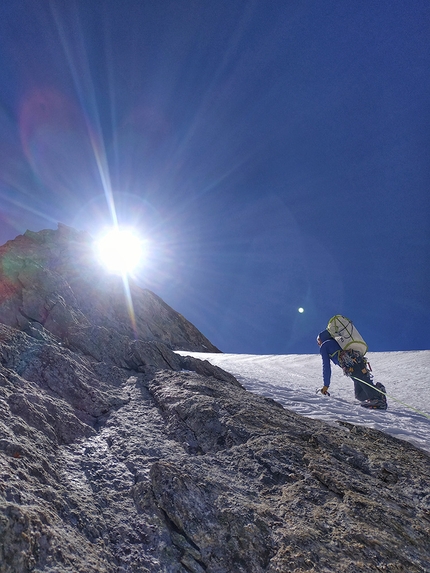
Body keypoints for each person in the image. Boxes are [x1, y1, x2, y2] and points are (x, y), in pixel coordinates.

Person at [317, 329, 387, 409]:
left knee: (363, 382)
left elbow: (326, 366)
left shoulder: (325, 346)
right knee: (359, 395)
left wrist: (326, 385)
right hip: (358, 363)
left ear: (322, 338)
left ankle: (377, 400)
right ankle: (379, 390)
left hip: (352, 366)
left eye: (318, 340)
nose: (318, 343)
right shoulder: (338, 341)